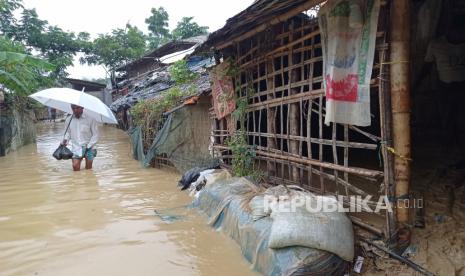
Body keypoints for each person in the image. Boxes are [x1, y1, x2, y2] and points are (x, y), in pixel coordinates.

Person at [61, 104, 99, 171]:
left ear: (82, 107)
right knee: (75, 166)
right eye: (73, 108)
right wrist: (65, 141)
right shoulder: (68, 120)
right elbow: (68, 133)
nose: (75, 110)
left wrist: (88, 146)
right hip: (76, 147)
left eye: (77, 108)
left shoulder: (91, 119)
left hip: (90, 147)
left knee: (88, 169)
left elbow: (96, 135)